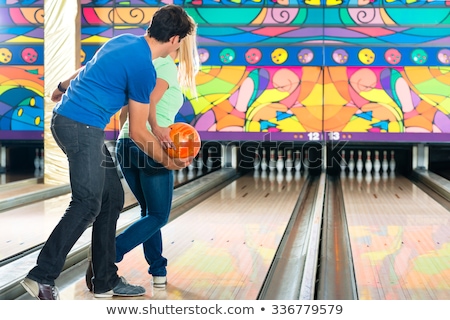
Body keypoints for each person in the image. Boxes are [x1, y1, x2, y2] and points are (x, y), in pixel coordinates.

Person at [20, 4, 195, 300]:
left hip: (75, 123)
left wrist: (61, 86)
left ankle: (104, 281)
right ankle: (42, 276)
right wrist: (171, 162)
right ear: (175, 39)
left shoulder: (124, 40)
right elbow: (139, 133)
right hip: (81, 128)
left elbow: (87, 68)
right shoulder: (143, 69)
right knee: (87, 203)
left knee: (111, 198)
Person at [85, 15, 200, 291]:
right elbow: (150, 101)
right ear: (177, 40)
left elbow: (129, 109)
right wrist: (158, 128)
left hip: (127, 144)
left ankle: (158, 268)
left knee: (149, 212)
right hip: (150, 146)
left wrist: (136, 130)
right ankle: (108, 254)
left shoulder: (144, 62)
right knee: (159, 215)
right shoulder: (165, 66)